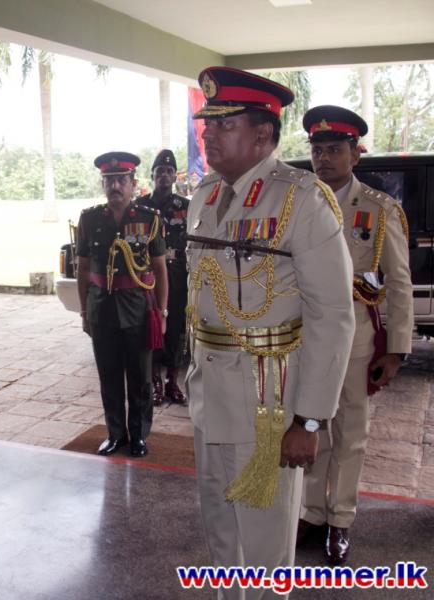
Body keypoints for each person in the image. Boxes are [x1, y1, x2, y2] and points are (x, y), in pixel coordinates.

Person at [185, 67, 355, 599]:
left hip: (268, 404)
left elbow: (333, 315)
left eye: (224, 124)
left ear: (263, 134)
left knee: (264, 547)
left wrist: (309, 419)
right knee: (221, 536)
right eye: (207, 124)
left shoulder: (301, 199)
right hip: (209, 396)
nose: (209, 134)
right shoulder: (204, 196)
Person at [297, 105, 413, 565]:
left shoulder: (379, 210)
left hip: (356, 340)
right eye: (317, 150)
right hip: (306, 338)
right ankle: (312, 512)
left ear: (355, 155)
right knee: (311, 424)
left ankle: (340, 519)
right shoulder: (300, 203)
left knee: (350, 432)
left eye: (334, 149)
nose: (323, 158)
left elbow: (398, 282)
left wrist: (397, 350)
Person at [76, 151, 168, 457]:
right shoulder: (89, 219)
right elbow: (83, 269)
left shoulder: (149, 218)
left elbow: (160, 270)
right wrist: (84, 311)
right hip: (101, 308)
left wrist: (162, 312)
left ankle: (139, 435)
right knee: (109, 375)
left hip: (138, 309)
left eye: (121, 180)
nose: (115, 186)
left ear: (133, 184)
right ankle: (115, 434)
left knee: (140, 377)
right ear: (103, 184)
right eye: (109, 180)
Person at [139, 149, 190, 406]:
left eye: (169, 171)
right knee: (151, 325)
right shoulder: (140, 207)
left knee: (177, 328)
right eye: (160, 171)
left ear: (175, 176)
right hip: (148, 275)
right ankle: (155, 382)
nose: (165, 175)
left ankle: (172, 381)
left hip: (178, 274)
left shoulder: (186, 206)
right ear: (152, 175)